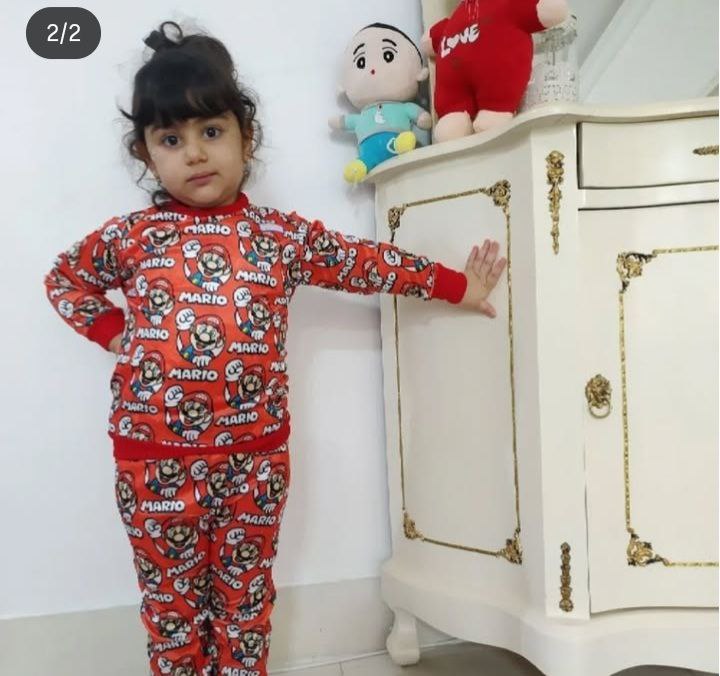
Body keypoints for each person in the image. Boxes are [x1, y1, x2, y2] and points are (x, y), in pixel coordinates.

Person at [43, 20, 507, 676]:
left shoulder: (279, 237)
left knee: (244, 604)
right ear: (146, 155)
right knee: (173, 611)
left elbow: (364, 263)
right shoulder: (130, 238)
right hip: (153, 463)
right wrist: (113, 332)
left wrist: (456, 285)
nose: (194, 154)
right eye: (171, 139)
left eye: (211, 132)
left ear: (246, 137)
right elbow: (65, 280)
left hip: (254, 460)